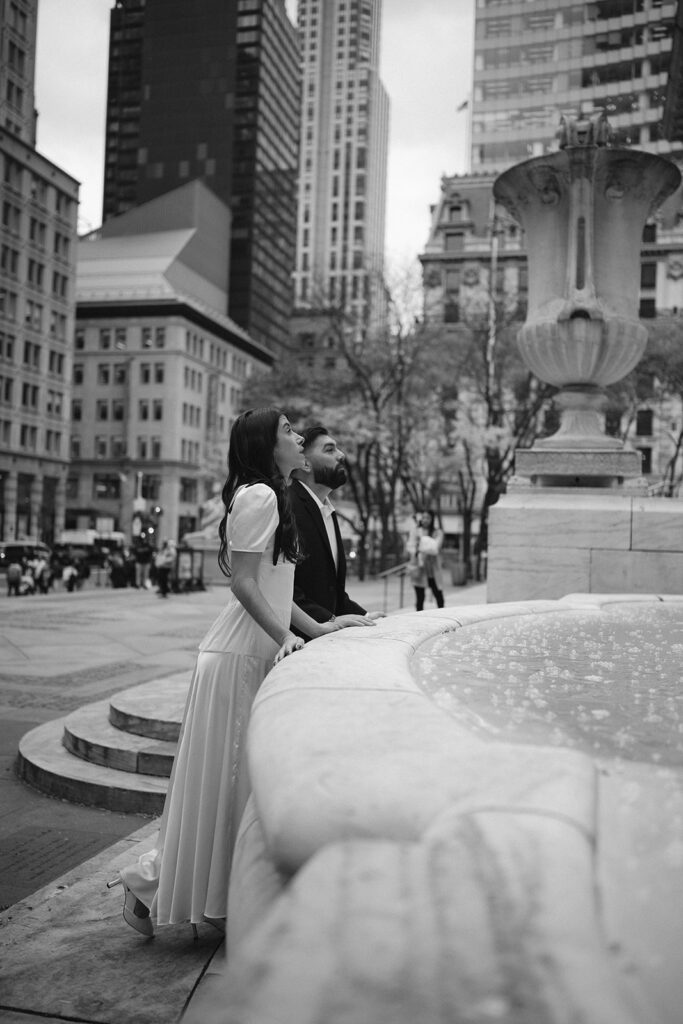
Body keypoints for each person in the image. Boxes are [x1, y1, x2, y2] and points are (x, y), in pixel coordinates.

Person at [109, 408, 354, 938]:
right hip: (236, 657)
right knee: (226, 786)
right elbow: (243, 584)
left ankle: (204, 896)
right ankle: (150, 884)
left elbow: (275, 589)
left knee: (238, 789)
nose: (296, 436)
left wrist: (319, 627)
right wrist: (284, 638)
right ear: (269, 446)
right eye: (288, 430)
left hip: (254, 652)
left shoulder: (274, 496)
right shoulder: (260, 496)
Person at [289, 424, 381, 639]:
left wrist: (366, 616)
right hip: (288, 642)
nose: (341, 455)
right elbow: (283, 588)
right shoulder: (288, 506)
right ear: (305, 463)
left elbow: (331, 591)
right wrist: (329, 621)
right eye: (329, 450)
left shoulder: (327, 511)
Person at [409, 510, 445, 611]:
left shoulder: (438, 532)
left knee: (439, 596)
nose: (425, 520)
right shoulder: (416, 530)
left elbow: (434, 548)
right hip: (419, 569)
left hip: (433, 570)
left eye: (428, 517)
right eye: (423, 517)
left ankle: (443, 619)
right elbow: (411, 547)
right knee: (419, 599)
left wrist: (421, 543)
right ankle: (419, 621)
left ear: (432, 519)